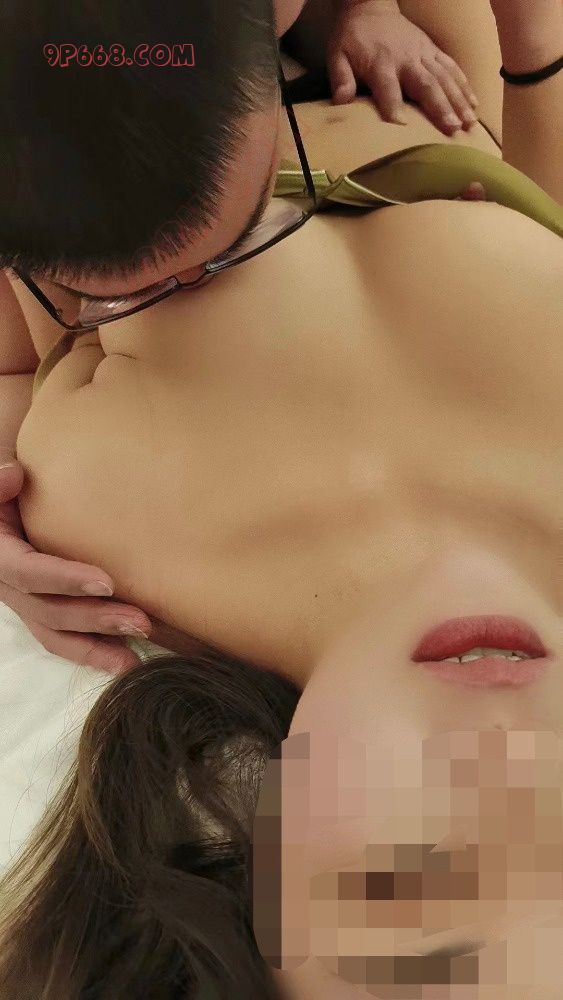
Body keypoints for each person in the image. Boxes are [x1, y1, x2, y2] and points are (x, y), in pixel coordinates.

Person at [0, 0, 562, 995]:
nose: (499, 757)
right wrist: (531, 52)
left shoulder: (115, 541)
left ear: (256, 860)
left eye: (407, 874)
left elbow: (31, 291)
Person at [0, 0, 561, 675]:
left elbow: (20, 380)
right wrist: (534, 49)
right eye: (118, 291)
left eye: (226, 241)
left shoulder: (80, 491)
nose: (189, 281)